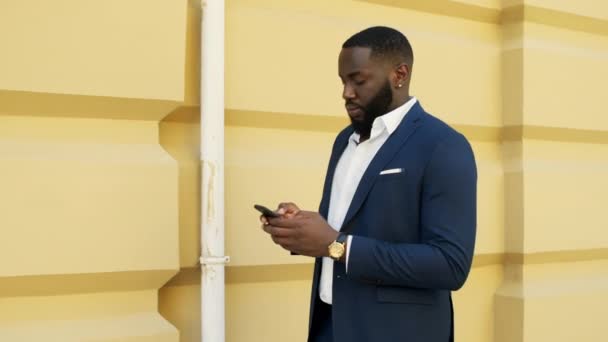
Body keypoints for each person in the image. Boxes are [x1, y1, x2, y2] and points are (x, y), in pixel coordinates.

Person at [260, 26, 477, 342]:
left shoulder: (443, 145)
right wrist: (303, 229)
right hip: (330, 325)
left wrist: (336, 246)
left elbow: (450, 265)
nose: (346, 92)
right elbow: (343, 230)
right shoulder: (343, 142)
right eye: (343, 81)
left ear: (398, 75)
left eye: (358, 81)